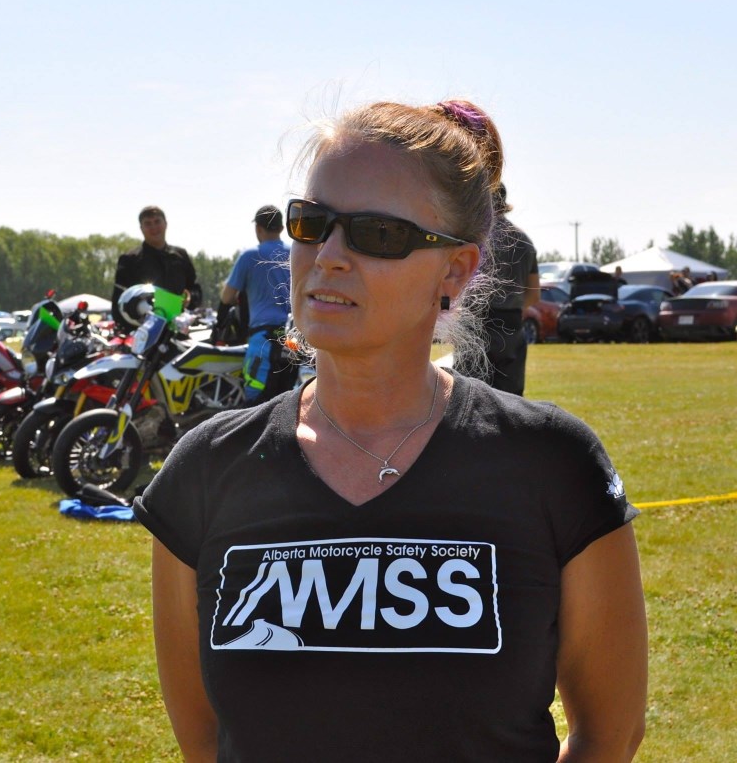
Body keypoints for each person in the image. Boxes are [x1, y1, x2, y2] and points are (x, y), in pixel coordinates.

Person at [135, 99, 647, 761]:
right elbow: (205, 740)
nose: (329, 257)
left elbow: (610, 735)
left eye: (377, 234)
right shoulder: (206, 469)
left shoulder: (553, 463)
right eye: (311, 223)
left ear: (456, 272)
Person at [455, 181, 538, 395]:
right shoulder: (524, 242)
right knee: (510, 401)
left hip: (476, 324)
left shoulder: (473, 239)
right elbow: (534, 293)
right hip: (511, 326)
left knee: (470, 398)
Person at [219, 205, 297, 405]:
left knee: (255, 405)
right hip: (294, 340)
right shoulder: (297, 254)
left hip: (262, 339)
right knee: (287, 405)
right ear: (281, 228)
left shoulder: (249, 256)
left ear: (258, 229)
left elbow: (227, 297)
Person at [111, 206, 200, 328]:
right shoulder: (129, 260)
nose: (153, 227)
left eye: (157, 221)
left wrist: (190, 298)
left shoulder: (181, 255)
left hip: (178, 329)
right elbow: (119, 304)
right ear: (141, 228)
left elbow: (195, 289)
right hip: (144, 332)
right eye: (148, 224)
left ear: (166, 224)